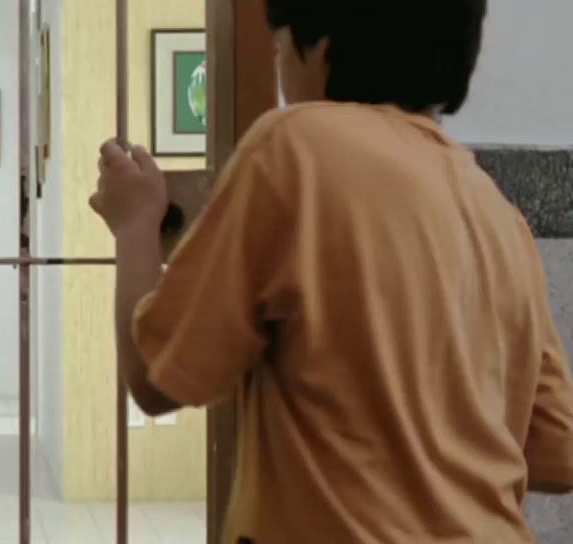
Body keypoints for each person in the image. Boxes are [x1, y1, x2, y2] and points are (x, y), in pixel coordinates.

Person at [88, 1, 573, 542]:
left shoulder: (295, 148)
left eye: (277, 48)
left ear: (315, 47)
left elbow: (156, 378)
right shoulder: (500, 217)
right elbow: (554, 452)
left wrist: (134, 224)